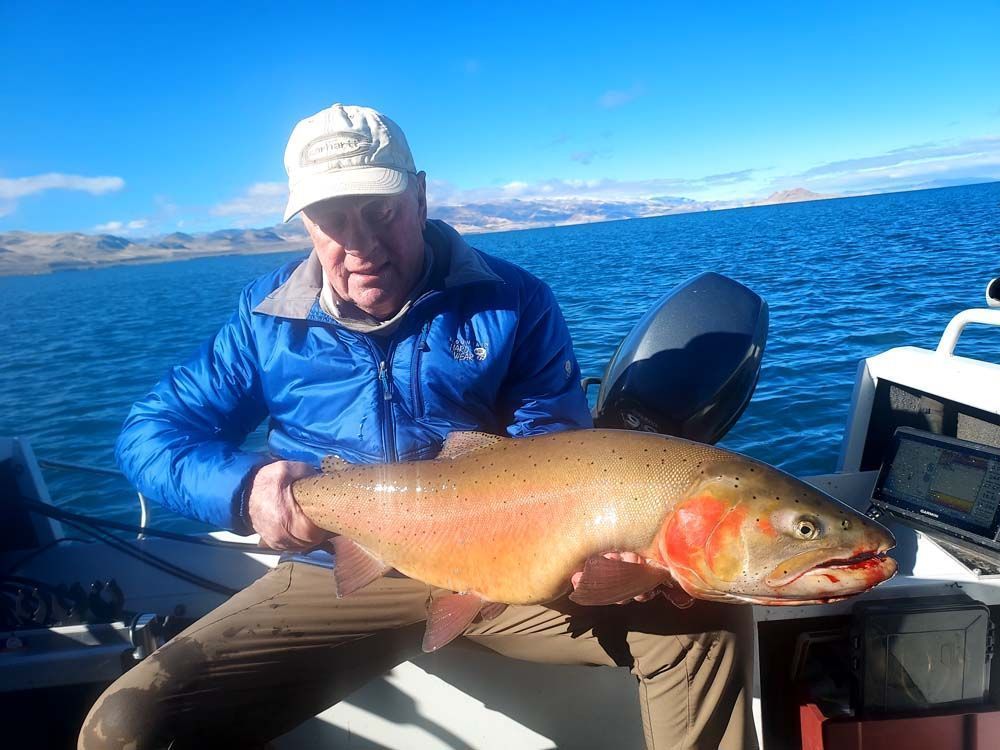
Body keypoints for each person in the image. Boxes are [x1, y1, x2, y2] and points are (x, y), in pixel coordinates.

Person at [78, 104, 752, 749]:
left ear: (421, 197)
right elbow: (148, 434)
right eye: (332, 220)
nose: (362, 245)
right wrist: (245, 486)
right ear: (304, 225)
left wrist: (597, 546)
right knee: (126, 727)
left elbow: (554, 442)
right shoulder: (266, 323)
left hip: (507, 569)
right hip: (334, 568)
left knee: (704, 619)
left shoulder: (512, 302)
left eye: (381, 212)